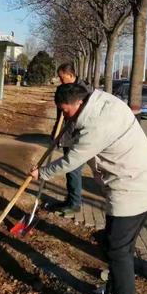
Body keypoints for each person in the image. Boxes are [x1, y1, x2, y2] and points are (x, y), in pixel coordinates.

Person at [31, 84, 147, 294]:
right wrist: (67, 129)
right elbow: (77, 133)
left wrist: (41, 173)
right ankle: (114, 290)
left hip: (133, 191)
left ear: (79, 103)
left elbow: (72, 159)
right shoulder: (100, 101)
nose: (64, 116)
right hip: (141, 185)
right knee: (118, 246)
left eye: (66, 111)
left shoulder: (97, 126)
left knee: (117, 250)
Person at [49, 62, 91, 218]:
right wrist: (55, 132)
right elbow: (60, 115)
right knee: (69, 171)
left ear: (71, 75)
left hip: (77, 136)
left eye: (62, 77)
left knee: (73, 170)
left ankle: (75, 204)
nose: (60, 80)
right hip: (66, 134)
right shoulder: (63, 90)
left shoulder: (84, 91)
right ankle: (70, 199)